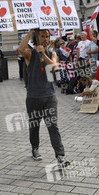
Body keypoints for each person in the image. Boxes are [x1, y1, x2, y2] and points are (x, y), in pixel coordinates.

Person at [18, 29, 69, 167]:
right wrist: (29, 33)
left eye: (47, 36)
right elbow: (21, 49)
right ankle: (35, 148)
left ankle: (60, 156)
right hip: (33, 97)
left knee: (53, 126)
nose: (45, 39)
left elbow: (53, 67)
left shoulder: (52, 53)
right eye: (42, 36)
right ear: (37, 37)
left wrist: (42, 53)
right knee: (34, 126)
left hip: (49, 97)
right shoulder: (30, 54)